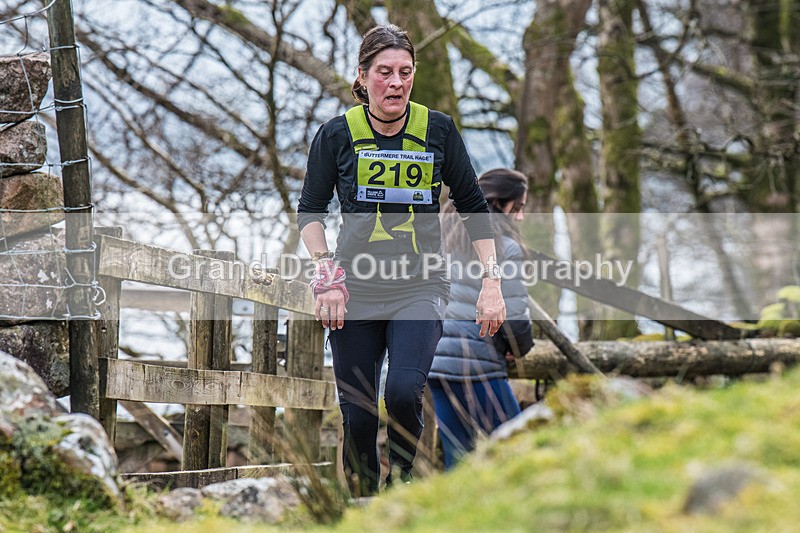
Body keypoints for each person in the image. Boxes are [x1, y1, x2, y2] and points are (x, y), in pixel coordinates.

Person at [296, 24, 507, 496]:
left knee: (403, 391)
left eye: (405, 72)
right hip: (356, 289)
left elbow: (474, 206)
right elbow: (310, 211)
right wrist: (325, 272)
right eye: (385, 73)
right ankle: (368, 499)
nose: (396, 83)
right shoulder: (336, 135)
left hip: (421, 285)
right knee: (356, 410)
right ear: (363, 76)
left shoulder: (438, 130)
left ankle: (405, 482)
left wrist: (492, 282)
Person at [429, 168, 535, 469]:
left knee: (457, 458)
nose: (521, 217)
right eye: (519, 207)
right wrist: (519, 347)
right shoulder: (503, 248)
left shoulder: (440, 237)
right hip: (476, 360)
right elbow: (513, 313)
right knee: (518, 448)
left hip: (435, 362)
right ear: (501, 203)